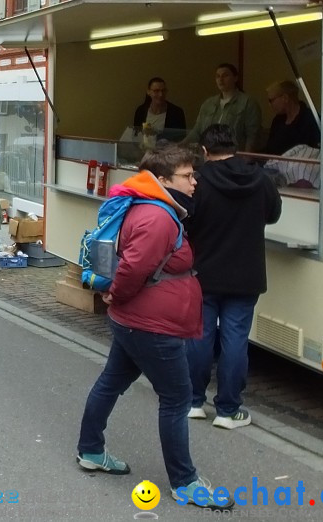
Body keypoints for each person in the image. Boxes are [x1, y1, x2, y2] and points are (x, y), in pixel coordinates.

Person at [75, 144, 232, 509]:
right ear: (162, 180)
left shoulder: (152, 209)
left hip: (137, 322)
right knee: (177, 399)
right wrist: (116, 293)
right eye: (188, 176)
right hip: (150, 326)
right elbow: (132, 268)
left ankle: (91, 451)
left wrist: (119, 296)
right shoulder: (158, 217)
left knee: (111, 382)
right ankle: (185, 482)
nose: (195, 182)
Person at [186, 124, 281, 430]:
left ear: (204, 151)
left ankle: (194, 402)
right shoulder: (260, 178)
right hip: (246, 274)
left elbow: (187, 221)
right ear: (236, 146)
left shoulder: (198, 182)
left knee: (200, 336)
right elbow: (274, 213)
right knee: (236, 338)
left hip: (205, 273)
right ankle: (228, 410)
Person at [185, 63, 262, 152]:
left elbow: (253, 135)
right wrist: (180, 146)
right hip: (208, 156)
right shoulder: (208, 103)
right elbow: (197, 131)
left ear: (235, 78)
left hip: (234, 157)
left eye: (225, 75)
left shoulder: (248, 102)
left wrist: (247, 158)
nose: (221, 79)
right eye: (217, 76)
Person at [263, 80, 320, 155]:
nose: (270, 105)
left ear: (285, 98)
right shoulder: (277, 121)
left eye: (271, 101)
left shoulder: (311, 119)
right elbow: (269, 150)